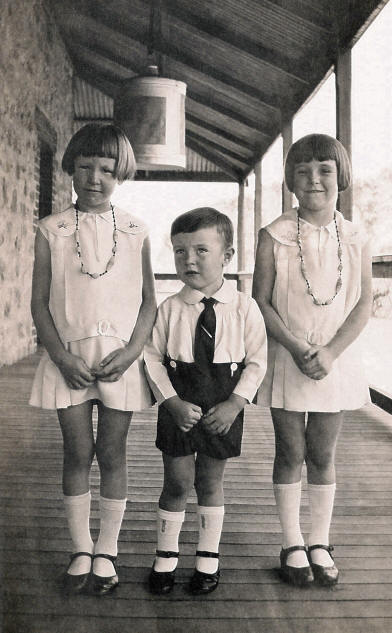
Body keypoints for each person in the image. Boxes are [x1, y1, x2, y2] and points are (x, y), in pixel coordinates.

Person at [29, 124, 157, 596]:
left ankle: (108, 548)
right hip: (70, 361)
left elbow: (148, 302)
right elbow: (40, 302)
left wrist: (131, 351)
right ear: (72, 169)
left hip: (118, 360)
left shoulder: (137, 230)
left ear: (119, 172)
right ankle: (80, 548)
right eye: (85, 167)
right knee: (78, 452)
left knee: (112, 452)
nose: (95, 178)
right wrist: (60, 356)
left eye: (106, 169)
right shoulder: (52, 230)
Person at [252, 134, 372, 587]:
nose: (314, 180)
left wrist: (331, 351)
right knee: (291, 451)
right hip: (289, 355)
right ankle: (291, 543)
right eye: (303, 171)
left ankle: (319, 541)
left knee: (322, 453)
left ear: (340, 176)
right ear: (290, 180)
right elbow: (260, 299)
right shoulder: (275, 234)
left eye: (324, 170)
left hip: (334, 360)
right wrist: (295, 345)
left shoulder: (356, 235)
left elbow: (363, 303)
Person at [144, 207, 267, 595]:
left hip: (222, 404)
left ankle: (207, 561)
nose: (189, 260)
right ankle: (165, 559)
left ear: (227, 256)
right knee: (177, 482)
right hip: (179, 402)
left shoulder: (245, 308)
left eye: (201, 250)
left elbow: (257, 361)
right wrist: (171, 402)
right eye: (179, 252)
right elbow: (151, 358)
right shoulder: (170, 308)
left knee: (210, 482)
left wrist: (234, 405)